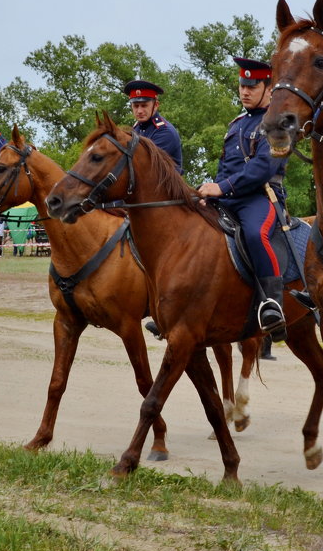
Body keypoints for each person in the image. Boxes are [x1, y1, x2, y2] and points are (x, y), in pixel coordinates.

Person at [191, 57, 290, 341]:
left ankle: (273, 305)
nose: (244, 91)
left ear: (268, 88)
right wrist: (209, 194)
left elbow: (263, 168)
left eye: (252, 86)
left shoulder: (280, 123)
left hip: (261, 197)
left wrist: (221, 188)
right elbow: (226, 167)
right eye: (242, 85)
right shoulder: (236, 124)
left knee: (255, 234)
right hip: (229, 197)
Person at [124, 80, 184, 174]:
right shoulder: (136, 129)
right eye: (136, 106)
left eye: (144, 105)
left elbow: (144, 166)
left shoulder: (165, 132)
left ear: (156, 105)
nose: (139, 111)